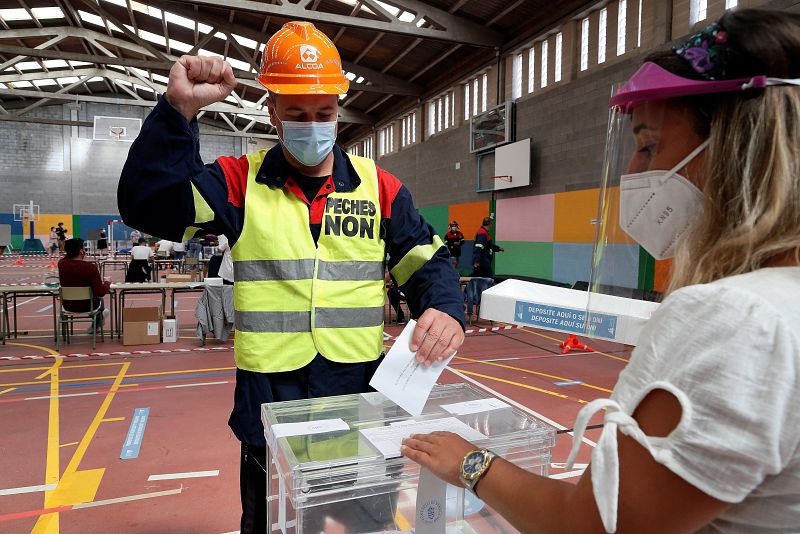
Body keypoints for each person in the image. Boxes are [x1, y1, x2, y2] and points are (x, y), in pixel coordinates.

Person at [402, 9, 800, 533]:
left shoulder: (734, 318)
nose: (633, 171)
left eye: (648, 145)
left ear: (739, 149)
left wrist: (471, 463)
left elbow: (594, 525)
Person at [118, 20, 465, 533]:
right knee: (274, 527)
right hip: (272, 408)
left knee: (368, 527)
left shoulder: (380, 187)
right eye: (297, 114)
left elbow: (426, 261)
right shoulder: (239, 183)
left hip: (360, 403)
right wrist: (178, 112)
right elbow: (148, 203)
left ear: (340, 109)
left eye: (324, 113)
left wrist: (443, 307)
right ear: (272, 111)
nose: (313, 125)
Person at [58, 238, 111, 332]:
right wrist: (107, 283)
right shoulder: (90, 267)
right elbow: (100, 292)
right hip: (88, 306)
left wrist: (70, 252)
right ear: (81, 251)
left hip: (68, 306)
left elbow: (66, 258)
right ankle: (97, 322)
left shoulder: (61, 264)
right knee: (100, 299)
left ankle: (98, 320)